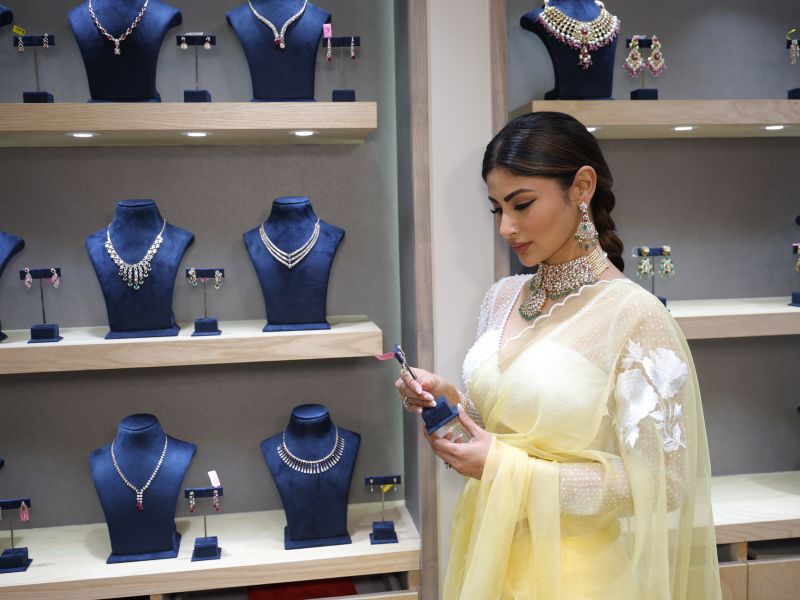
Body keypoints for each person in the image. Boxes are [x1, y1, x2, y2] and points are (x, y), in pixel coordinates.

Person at [395, 112, 721, 599]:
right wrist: (448, 401)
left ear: (582, 187)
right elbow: (503, 428)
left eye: (522, 204)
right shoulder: (503, 297)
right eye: (496, 209)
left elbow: (666, 483)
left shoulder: (635, 316)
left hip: (578, 577)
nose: (506, 227)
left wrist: (504, 469)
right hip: (486, 556)